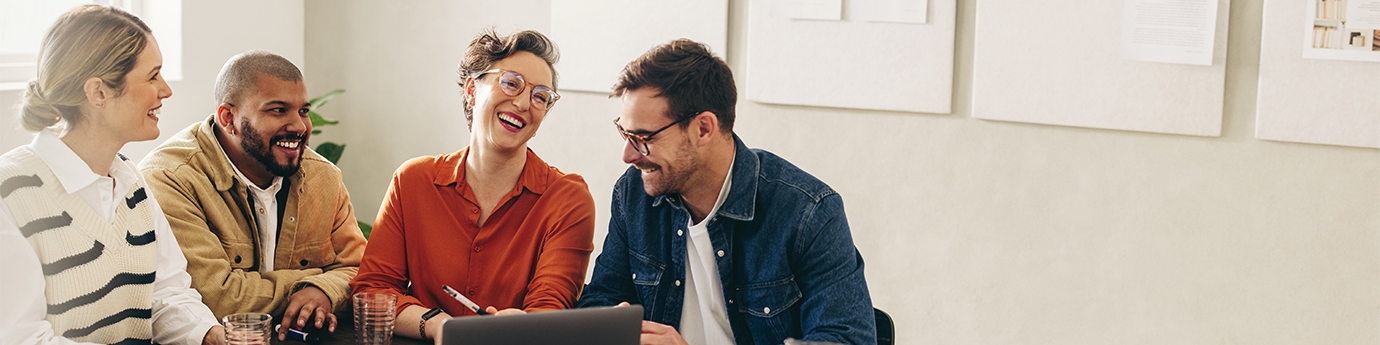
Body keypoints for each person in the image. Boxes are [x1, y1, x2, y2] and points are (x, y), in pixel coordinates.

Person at [577, 39, 877, 345]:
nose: (628, 155)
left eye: (643, 137)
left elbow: (845, 339)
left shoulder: (808, 212)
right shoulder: (634, 193)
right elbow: (601, 302)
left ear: (703, 129)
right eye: (625, 133)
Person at [349, 28, 595, 341]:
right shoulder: (412, 180)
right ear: (471, 89)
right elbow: (373, 291)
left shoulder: (567, 198)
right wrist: (439, 326)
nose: (523, 103)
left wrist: (520, 325)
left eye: (540, 97)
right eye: (511, 83)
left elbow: (550, 310)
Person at [0, 5, 224, 345]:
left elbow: (167, 293)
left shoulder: (132, 183)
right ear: (98, 92)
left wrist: (210, 336)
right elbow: (21, 338)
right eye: (152, 76)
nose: (166, 90)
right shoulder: (10, 193)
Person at [138, 51, 368, 340]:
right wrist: (310, 286)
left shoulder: (324, 177)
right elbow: (219, 298)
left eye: (303, 111)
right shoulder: (172, 178)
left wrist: (322, 290)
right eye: (278, 110)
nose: (299, 126)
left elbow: (361, 272)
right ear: (228, 117)